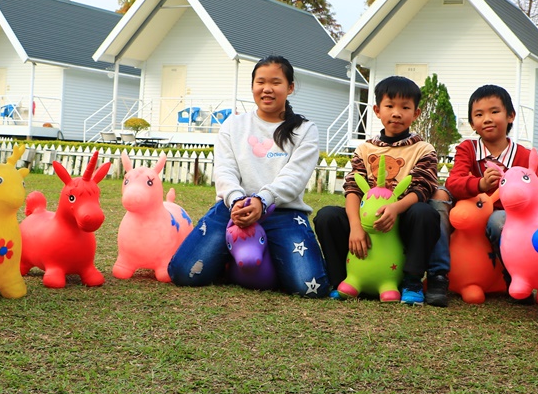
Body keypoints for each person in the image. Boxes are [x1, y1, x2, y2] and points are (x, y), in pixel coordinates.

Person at [168, 56, 330, 297]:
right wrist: (236, 201)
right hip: (233, 209)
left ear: (290, 87)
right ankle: (234, 261)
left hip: (283, 213)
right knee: (184, 273)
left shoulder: (305, 130)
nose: (267, 89)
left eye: (276, 82)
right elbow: (224, 170)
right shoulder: (233, 125)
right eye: (260, 82)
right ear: (253, 86)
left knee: (309, 287)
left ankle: (267, 261)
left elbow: (295, 177)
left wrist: (263, 200)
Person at [314, 76, 444, 306]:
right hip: (365, 223)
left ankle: (411, 281)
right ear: (376, 110)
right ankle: (340, 281)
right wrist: (355, 225)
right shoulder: (365, 149)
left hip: (402, 222)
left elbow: (422, 188)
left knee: (425, 213)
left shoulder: (424, 149)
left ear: (416, 113)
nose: (396, 113)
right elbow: (353, 188)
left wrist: (395, 208)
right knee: (327, 216)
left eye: (405, 107)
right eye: (390, 106)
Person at [428, 84, 538, 283]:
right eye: (479, 115)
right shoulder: (467, 148)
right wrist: (480, 184)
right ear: (472, 123)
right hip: (470, 213)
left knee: (499, 221)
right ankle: (438, 273)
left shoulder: (526, 156)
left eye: (494, 111)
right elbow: (454, 182)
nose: (486, 119)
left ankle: (512, 275)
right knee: (439, 195)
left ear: (510, 116)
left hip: (507, 218)